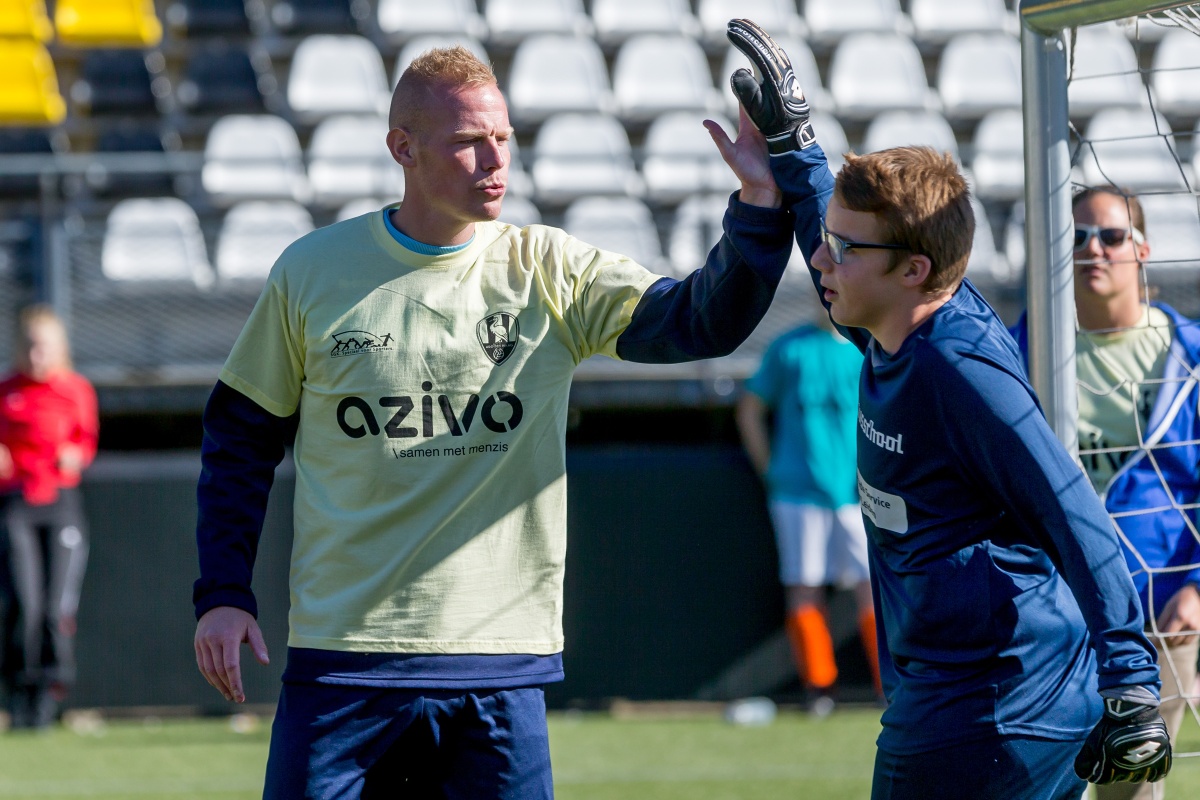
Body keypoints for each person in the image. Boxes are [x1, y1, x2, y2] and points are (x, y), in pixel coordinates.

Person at [192, 45, 797, 797]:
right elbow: (239, 443)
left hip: (500, 663)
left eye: (503, 138)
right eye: (467, 141)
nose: (494, 160)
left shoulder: (548, 269)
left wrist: (761, 206)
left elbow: (700, 322)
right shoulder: (311, 270)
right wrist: (223, 592)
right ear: (403, 148)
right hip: (344, 661)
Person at [724, 18, 1171, 799]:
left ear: (914, 270)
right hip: (968, 696)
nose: (820, 257)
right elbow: (836, 221)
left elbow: (1074, 512)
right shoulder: (896, 318)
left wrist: (1131, 680)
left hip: (996, 709)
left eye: (842, 249)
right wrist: (794, 144)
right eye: (828, 240)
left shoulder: (960, 373)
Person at [1012, 186, 1200, 800]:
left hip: (1159, 615)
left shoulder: (1190, 355)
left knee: (1129, 792)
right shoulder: (1020, 351)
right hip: (1049, 615)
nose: (1093, 249)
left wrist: (1197, 588)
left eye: (1112, 236)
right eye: (1077, 237)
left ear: (1142, 249)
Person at [735, 313, 879, 714]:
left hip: (858, 493)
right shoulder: (789, 347)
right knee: (804, 585)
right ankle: (819, 690)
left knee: (873, 586)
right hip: (798, 492)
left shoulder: (866, 349)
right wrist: (771, 471)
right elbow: (750, 409)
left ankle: (891, 686)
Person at [0, 305, 97, 730]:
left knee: (56, 607)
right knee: (24, 601)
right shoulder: (7, 390)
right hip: (16, 503)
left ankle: (51, 689)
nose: (36, 355)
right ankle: (19, 692)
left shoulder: (75, 390)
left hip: (59, 504)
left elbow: (84, 441)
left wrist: (74, 455)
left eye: (44, 347)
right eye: (30, 346)